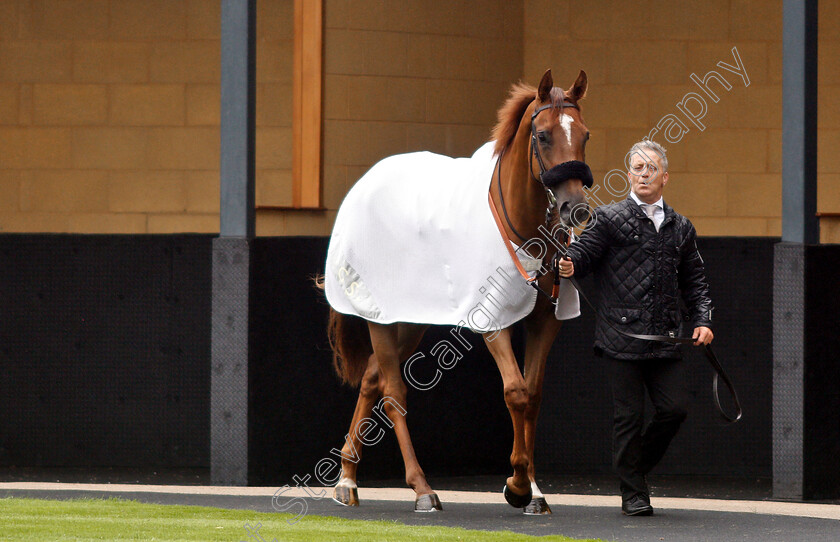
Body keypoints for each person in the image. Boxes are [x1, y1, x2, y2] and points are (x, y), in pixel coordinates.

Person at [558, 140, 713, 516]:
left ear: (665, 176)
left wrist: (703, 319)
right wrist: (570, 263)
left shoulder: (680, 226)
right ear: (629, 175)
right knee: (629, 417)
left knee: (675, 409)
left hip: (664, 339)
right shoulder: (609, 218)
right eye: (637, 168)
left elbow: (696, 282)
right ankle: (633, 493)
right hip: (621, 339)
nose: (644, 174)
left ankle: (634, 469)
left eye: (651, 168)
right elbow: (584, 253)